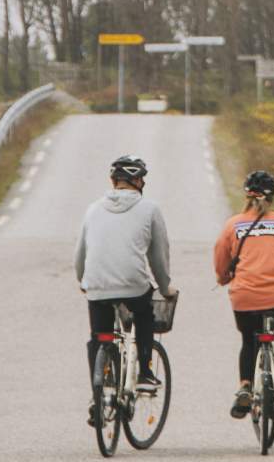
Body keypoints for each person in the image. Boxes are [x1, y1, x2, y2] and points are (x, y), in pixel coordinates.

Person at [74, 153, 177, 425]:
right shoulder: (150, 208)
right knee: (144, 315)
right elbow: (158, 256)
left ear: (113, 180)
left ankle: (100, 394)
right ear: (139, 181)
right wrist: (165, 287)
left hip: (96, 284)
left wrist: (84, 281)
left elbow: (80, 254)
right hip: (133, 283)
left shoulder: (93, 208)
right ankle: (144, 372)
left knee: (100, 336)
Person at [212, 169, 274, 418]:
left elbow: (221, 261)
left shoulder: (232, 225)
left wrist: (223, 278)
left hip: (245, 296)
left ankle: (245, 386)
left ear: (247, 196)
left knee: (248, 339)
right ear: (272, 197)